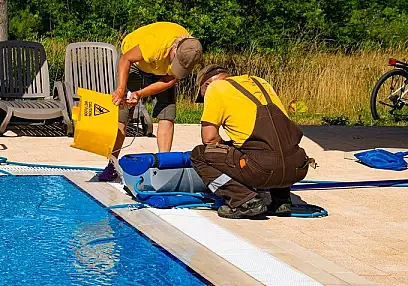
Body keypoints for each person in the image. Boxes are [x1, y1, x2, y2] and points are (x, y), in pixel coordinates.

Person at [190, 64, 315, 219]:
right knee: (275, 145)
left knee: (199, 154)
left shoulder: (215, 89)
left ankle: (244, 200)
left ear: (207, 85)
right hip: (297, 168)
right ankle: (281, 200)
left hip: (262, 170)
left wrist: (228, 150)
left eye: (203, 96)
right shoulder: (259, 82)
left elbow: (209, 139)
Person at [98, 22, 203, 181]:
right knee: (122, 114)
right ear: (174, 50)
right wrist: (121, 89)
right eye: (176, 63)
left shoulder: (191, 51)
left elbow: (169, 80)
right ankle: (112, 164)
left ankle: (164, 166)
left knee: (167, 113)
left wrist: (139, 94)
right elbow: (126, 59)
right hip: (133, 62)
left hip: (158, 70)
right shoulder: (155, 44)